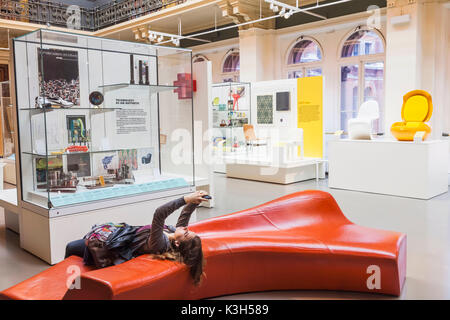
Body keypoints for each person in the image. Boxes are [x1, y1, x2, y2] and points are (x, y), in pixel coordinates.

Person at [65, 191, 209, 285]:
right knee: (76, 245)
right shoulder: (174, 232)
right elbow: (184, 217)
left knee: (71, 247)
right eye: (188, 230)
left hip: (113, 246)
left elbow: (159, 214)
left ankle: (68, 287)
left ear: (177, 243)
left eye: (186, 233)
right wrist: (195, 201)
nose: (184, 228)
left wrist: (185, 199)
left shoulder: (159, 244)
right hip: (119, 234)